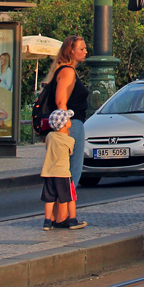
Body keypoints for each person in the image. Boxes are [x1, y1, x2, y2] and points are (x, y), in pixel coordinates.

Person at [49, 35, 89, 215]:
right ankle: (63, 216)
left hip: (71, 125)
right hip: (72, 125)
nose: (85, 52)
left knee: (65, 173)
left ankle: (61, 215)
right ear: (70, 51)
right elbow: (61, 101)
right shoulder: (67, 72)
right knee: (71, 172)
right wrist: (65, 128)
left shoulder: (63, 70)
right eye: (81, 49)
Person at [41, 109, 87, 230]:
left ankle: (47, 222)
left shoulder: (50, 136)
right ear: (65, 124)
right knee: (71, 198)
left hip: (48, 173)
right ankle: (72, 220)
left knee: (49, 199)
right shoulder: (69, 140)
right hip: (63, 174)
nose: (70, 121)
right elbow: (70, 152)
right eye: (69, 119)